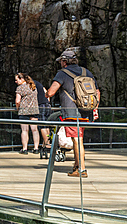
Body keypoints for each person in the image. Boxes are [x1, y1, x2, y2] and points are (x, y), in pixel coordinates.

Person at [46, 50, 100, 178]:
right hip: (86, 111)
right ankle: (77, 166)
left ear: (64, 61)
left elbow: (51, 92)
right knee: (79, 137)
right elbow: (97, 92)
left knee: (77, 139)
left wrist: (46, 94)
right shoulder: (86, 72)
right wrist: (95, 108)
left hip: (71, 112)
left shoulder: (62, 74)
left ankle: (81, 169)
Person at [14, 73, 41, 153]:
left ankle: (25, 148)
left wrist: (18, 108)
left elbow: (17, 101)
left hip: (24, 111)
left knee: (25, 130)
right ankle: (36, 148)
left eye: (17, 79)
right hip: (34, 110)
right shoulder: (33, 87)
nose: (16, 81)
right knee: (35, 130)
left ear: (22, 79)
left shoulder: (20, 88)